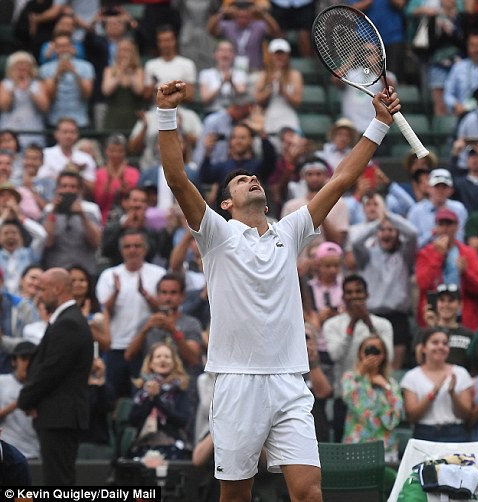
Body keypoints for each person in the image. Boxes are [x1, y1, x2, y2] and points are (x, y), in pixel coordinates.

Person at [156, 78, 400, 501]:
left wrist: (378, 124)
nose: (251, 178)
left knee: (309, 493)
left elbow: (341, 179)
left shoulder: (290, 231)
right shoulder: (215, 233)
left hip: (290, 380)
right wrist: (166, 113)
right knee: (236, 495)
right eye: (239, 181)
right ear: (225, 205)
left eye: (253, 177)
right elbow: (177, 179)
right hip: (235, 382)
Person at [17, 268, 93, 486]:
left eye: (42, 289)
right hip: (58, 415)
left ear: (57, 289)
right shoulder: (68, 320)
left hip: (60, 416)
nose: (39, 295)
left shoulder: (68, 323)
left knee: (59, 481)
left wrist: (26, 399)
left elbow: (51, 370)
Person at [323, 274, 394, 442]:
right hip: (345, 397)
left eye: (359, 291)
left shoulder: (383, 325)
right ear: (343, 296)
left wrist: (368, 323)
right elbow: (335, 355)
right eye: (349, 292)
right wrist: (352, 324)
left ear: (367, 294)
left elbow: (388, 356)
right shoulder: (332, 325)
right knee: (344, 455)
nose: (354, 296)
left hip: (377, 395)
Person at [96, 229, 165, 398]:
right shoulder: (109, 275)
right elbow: (105, 309)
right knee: (112, 398)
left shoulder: (158, 274)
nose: (132, 250)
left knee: (143, 398)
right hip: (116, 347)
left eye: (137, 246)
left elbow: (164, 310)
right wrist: (116, 293)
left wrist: (145, 294)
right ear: (121, 250)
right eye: (127, 246)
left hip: (146, 349)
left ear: (145, 249)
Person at [350, 212, 418, 369]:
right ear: (377, 234)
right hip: (372, 316)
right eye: (383, 230)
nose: (386, 233)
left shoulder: (404, 255)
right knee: (369, 364)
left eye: (391, 230)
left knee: (394, 368)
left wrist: (388, 215)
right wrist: (376, 223)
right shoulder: (367, 256)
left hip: (398, 317)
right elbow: (355, 242)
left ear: (397, 233)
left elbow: (413, 233)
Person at [415, 208, 478, 331]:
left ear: (457, 227)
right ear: (435, 228)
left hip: (462, 318)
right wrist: (438, 256)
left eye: (449, 224)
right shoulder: (425, 253)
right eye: (441, 224)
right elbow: (423, 283)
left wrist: (466, 273)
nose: (445, 228)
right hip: (434, 317)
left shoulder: (469, 253)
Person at [400, 328, 473, 441]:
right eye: (435, 342)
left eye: (445, 343)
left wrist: (452, 393)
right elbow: (412, 416)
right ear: (424, 348)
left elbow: (466, 415)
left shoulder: (461, 373)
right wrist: (433, 392)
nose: (440, 347)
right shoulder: (412, 376)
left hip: (455, 432)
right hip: (424, 433)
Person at [341, 335, 403, 463]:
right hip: (356, 447)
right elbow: (353, 403)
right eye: (368, 351)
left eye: (377, 351)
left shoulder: (391, 384)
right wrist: (362, 372)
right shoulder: (350, 378)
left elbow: (393, 420)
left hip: (385, 449)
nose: (372, 355)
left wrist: (385, 388)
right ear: (360, 354)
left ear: (384, 355)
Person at [128, 342, 192, 460]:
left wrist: (157, 400)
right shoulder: (141, 389)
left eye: (167, 357)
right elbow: (133, 420)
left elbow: (182, 420)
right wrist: (150, 398)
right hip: (144, 444)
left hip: (172, 444)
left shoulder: (180, 389)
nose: (163, 359)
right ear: (151, 363)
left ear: (174, 363)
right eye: (158, 356)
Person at [41, 170, 102, 276]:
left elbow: (96, 243)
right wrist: (54, 211)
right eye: (64, 186)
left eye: (73, 187)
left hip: (85, 273)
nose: (68, 190)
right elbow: (47, 242)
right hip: (56, 272)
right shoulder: (48, 211)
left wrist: (83, 216)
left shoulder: (90, 210)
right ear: (57, 189)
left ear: (79, 190)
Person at [38, 31, 95, 128]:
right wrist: (57, 75)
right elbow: (49, 97)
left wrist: (75, 73)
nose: (64, 49)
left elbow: (87, 94)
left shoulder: (86, 67)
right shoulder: (45, 69)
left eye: (66, 45)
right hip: (54, 120)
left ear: (72, 47)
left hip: (80, 121)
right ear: (55, 49)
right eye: (60, 46)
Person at [407, 168, 468, 249]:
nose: (440, 190)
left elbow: (460, 239)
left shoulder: (459, 209)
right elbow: (411, 245)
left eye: (444, 187)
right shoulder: (416, 211)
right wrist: (433, 233)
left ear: (451, 190)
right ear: (429, 188)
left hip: (452, 253)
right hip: (424, 255)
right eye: (436, 186)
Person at [253, 38, 303, 136]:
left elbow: (297, 101)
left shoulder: (295, 75)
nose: (279, 57)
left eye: (282, 54)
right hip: (270, 119)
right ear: (271, 55)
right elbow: (258, 99)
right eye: (276, 53)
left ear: (287, 55)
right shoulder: (264, 75)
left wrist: (283, 91)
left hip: (289, 119)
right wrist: (270, 89)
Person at [0, 51, 49, 149]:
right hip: (10, 131)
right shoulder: (5, 84)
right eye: (18, 64)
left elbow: (44, 107)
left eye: (25, 64)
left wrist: (29, 88)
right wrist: (14, 86)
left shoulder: (38, 84)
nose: (21, 67)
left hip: (33, 130)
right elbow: (4, 106)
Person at [0, 341, 40, 460]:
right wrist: (19, 403)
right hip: (8, 454)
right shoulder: (2, 382)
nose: (28, 364)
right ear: (14, 361)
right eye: (24, 359)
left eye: (32, 359)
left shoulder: (42, 387)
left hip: (35, 452)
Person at [423, 283, 475, 370]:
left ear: (460, 305)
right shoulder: (425, 332)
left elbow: (474, 364)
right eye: (442, 300)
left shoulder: (469, 334)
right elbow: (420, 360)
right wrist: (432, 328)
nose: (446, 305)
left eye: (451, 301)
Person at [37, 118, 97, 192]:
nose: (68, 136)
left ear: (77, 135)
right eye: (65, 132)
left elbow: (92, 188)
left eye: (72, 132)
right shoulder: (45, 154)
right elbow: (40, 180)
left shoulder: (86, 158)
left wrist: (77, 174)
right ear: (56, 134)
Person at [143, 25, 197, 102]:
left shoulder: (187, 64)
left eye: (168, 40)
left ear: (174, 40)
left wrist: (169, 95)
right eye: (162, 41)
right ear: (158, 43)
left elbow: (190, 95)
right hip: (157, 108)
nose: (165, 44)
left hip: (180, 108)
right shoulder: (150, 65)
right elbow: (146, 96)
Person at [101, 37, 145, 132]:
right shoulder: (109, 70)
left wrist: (130, 72)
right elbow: (106, 90)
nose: (124, 53)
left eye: (127, 50)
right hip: (113, 116)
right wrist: (120, 71)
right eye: (121, 50)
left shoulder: (138, 71)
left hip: (131, 115)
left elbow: (139, 90)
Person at [69, 264, 111, 353]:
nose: (78, 284)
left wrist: (86, 325)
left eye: (82, 280)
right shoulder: (60, 307)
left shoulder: (100, 308)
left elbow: (107, 344)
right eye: (73, 280)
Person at [198, 40, 248, 114]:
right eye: (222, 50)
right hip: (212, 112)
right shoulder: (206, 73)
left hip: (234, 114)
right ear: (215, 54)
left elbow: (242, 96)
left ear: (233, 55)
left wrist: (231, 83)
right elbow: (205, 99)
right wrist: (222, 84)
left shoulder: (240, 74)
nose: (225, 54)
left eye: (229, 51)